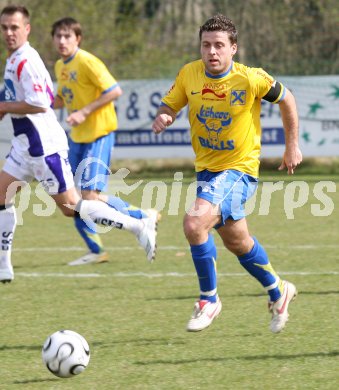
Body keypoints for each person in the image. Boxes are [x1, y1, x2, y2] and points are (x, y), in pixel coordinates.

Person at [152, 14, 302, 334]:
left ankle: (209, 299)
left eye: (219, 45)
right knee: (239, 242)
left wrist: (292, 146)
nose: (212, 52)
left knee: (194, 222)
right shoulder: (189, 74)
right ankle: (278, 291)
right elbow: (170, 105)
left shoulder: (250, 78)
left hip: (239, 169)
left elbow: (287, 99)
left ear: (233, 48)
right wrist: (164, 116)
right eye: (206, 45)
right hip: (207, 171)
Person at [0, 5, 157, 284]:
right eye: (5, 28)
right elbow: (48, 98)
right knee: (4, 196)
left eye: (15, 27)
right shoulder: (24, 61)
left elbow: (37, 104)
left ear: (27, 29)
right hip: (25, 145)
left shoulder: (30, 60)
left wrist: (5, 105)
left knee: (75, 204)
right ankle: (4, 266)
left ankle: (137, 225)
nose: (9, 33)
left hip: (45, 147)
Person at [50, 17, 159, 266]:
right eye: (58, 36)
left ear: (77, 39)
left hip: (98, 135)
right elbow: (60, 99)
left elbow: (114, 90)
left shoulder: (87, 61)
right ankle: (98, 249)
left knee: (89, 196)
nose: (62, 40)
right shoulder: (59, 66)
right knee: (72, 199)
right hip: (76, 139)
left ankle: (142, 219)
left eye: (67, 36)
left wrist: (85, 112)